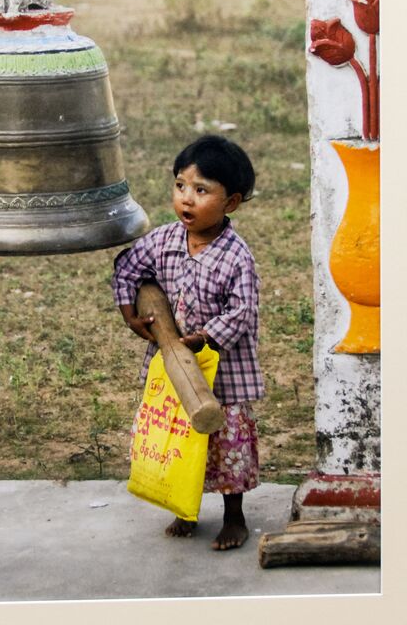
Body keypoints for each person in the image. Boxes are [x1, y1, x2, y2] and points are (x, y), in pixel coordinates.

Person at [112, 134, 264, 550]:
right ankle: (185, 509)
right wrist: (129, 313)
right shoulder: (163, 241)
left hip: (223, 374)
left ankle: (234, 517)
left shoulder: (236, 256)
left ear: (231, 203)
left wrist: (206, 336)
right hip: (175, 368)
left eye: (201, 190)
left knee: (225, 443)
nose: (186, 198)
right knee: (180, 441)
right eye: (180, 185)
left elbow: (242, 310)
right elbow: (127, 267)